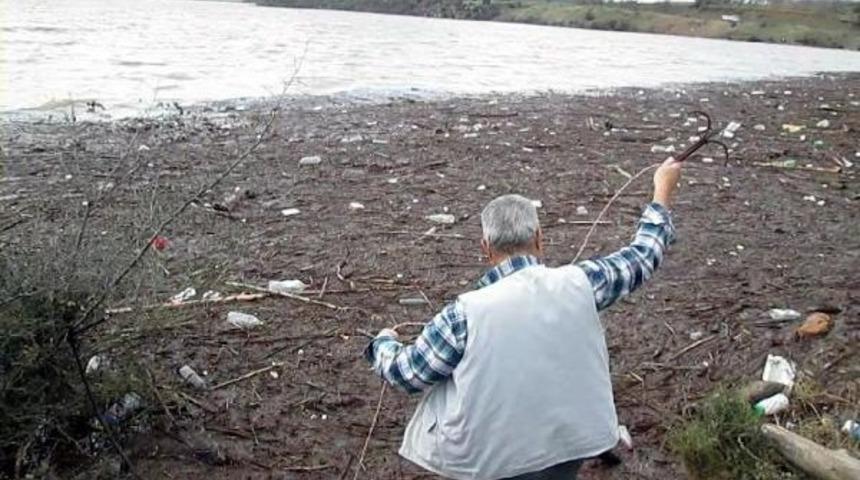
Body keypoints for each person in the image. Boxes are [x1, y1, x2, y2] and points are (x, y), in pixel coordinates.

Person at [364, 157, 682, 480]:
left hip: (494, 463)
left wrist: (383, 344)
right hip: (573, 446)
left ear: (486, 249)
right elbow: (643, 256)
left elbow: (406, 375)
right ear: (539, 239)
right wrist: (661, 192)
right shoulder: (584, 282)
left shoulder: (463, 314)